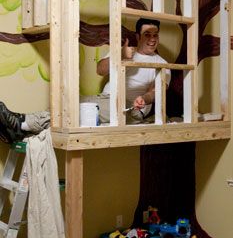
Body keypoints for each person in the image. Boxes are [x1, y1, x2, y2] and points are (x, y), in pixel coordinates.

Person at [0, 18, 171, 144]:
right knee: (69, 103)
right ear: (138, 36)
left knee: (75, 110)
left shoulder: (163, 64)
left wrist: (144, 100)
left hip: (130, 108)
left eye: (155, 35)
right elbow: (100, 70)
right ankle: (22, 129)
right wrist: (121, 57)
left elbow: (157, 91)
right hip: (105, 100)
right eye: (147, 34)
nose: (152, 39)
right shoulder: (125, 51)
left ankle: (22, 122)